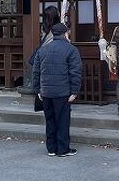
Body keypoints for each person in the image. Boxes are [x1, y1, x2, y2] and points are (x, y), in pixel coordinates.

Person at [33, 23, 82, 157]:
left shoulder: (42, 50)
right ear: (65, 34)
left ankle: (51, 148)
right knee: (62, 121)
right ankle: (63, 149)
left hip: (46, 92)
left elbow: (36, 71)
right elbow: (75, 73)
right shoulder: (71, 50)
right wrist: (75, 91)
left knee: (50, 120)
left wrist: (37, 89)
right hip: (62, 92)